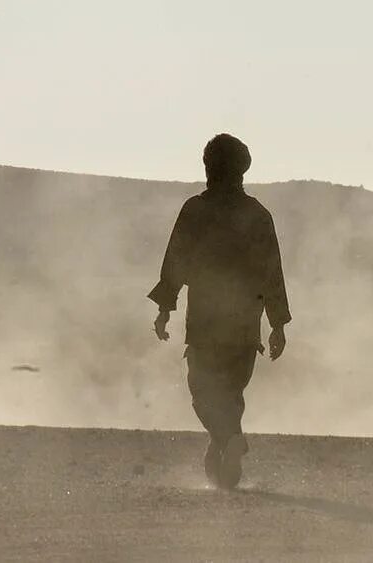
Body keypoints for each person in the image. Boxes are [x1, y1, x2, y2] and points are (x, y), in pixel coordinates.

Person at [148, 133, 290, 488]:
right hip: (244, 323)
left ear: (209, 168)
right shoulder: (258, 215)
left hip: (207, 322)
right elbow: (272, 273)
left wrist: (165, 310)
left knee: (203, 390)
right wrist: (277, 324)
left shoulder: (197, 210)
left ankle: (227, 441)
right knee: (230, 392)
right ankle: (227, 450)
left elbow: (175, 264)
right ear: (242, 170)